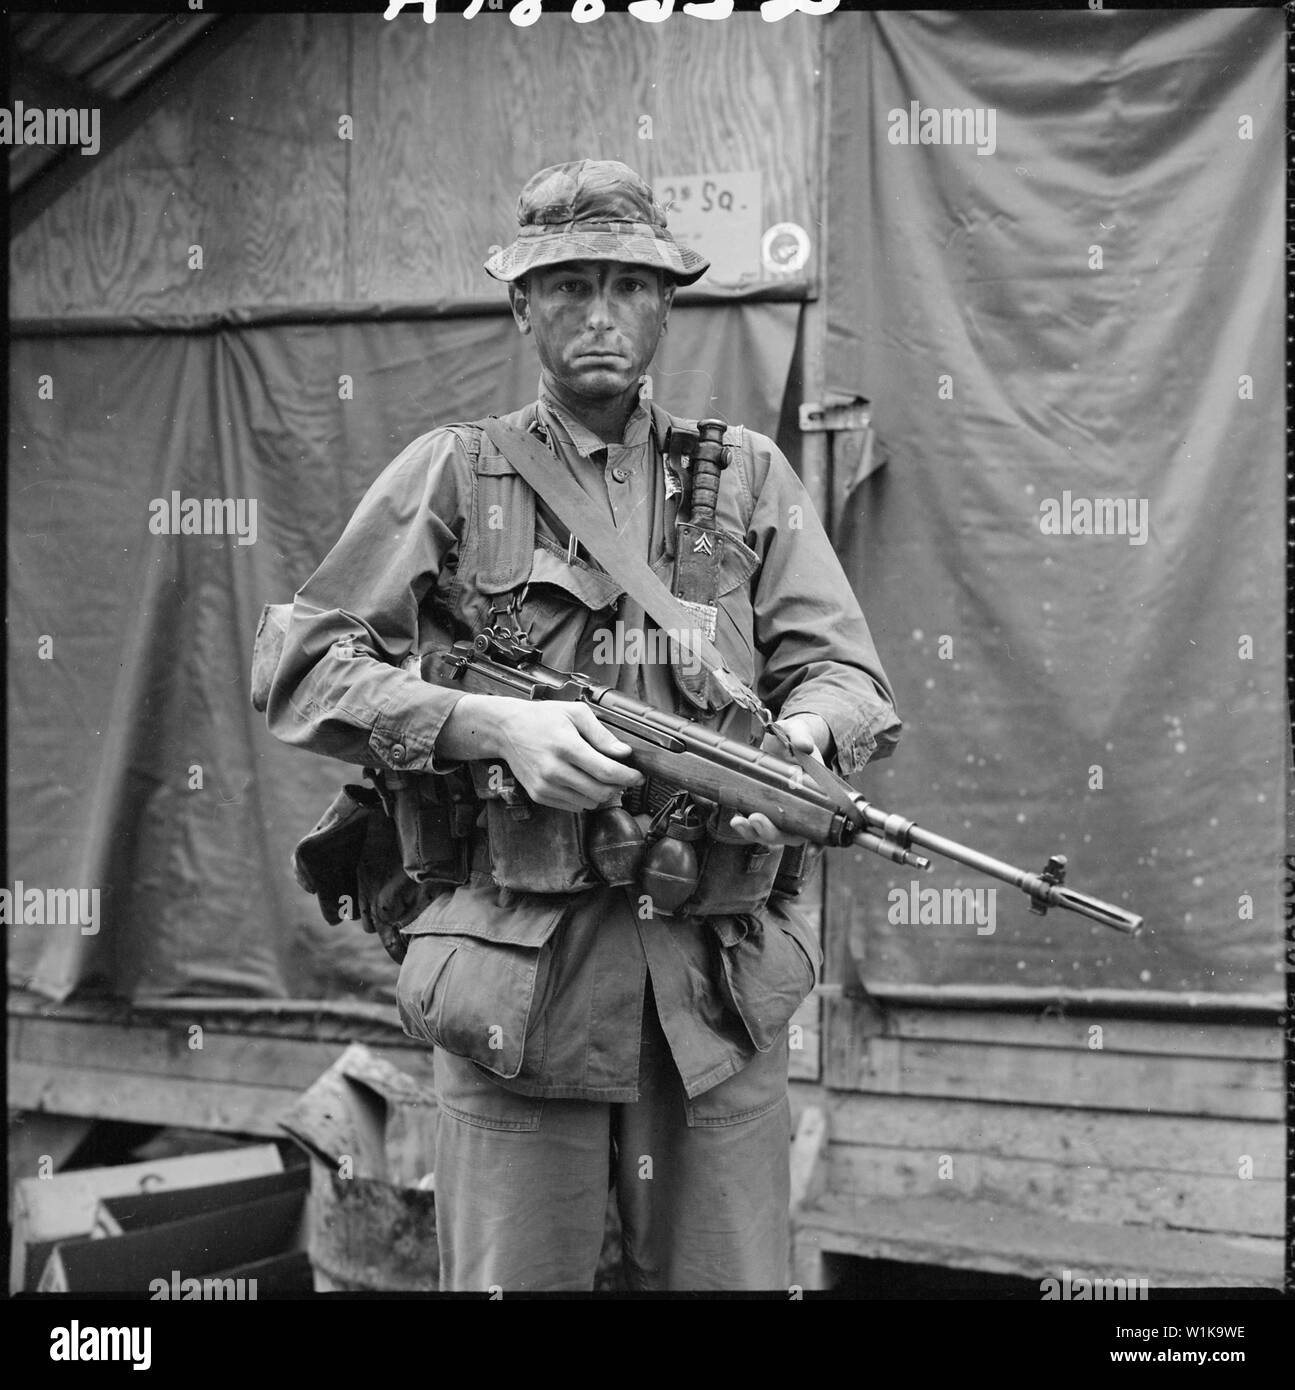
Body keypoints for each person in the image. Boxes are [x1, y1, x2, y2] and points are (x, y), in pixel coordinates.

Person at [267, 159, 901, 1292]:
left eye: (626, 284)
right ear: (522, 306)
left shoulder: (747, 478)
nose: (598, 313)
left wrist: (803, 739)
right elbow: (301, 664)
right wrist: (482, 727)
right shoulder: (454, 476)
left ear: (666, 304)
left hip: (713, 996)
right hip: (520, 993)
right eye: (566, 287)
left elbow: (844, 673)